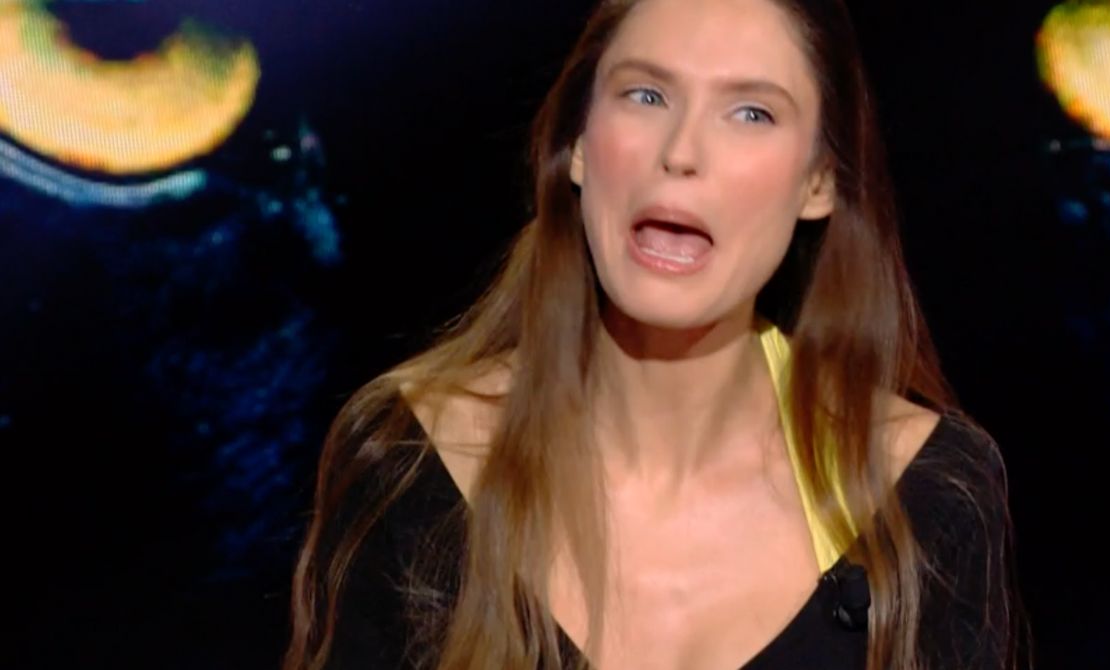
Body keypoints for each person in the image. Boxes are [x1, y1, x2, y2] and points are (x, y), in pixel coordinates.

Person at [283, 0, 1026, 668]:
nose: (681, 151)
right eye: (646, 95)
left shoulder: (924, 492)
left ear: (819, 182)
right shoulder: (409, 461)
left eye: (751, 113)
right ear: (579, 143)